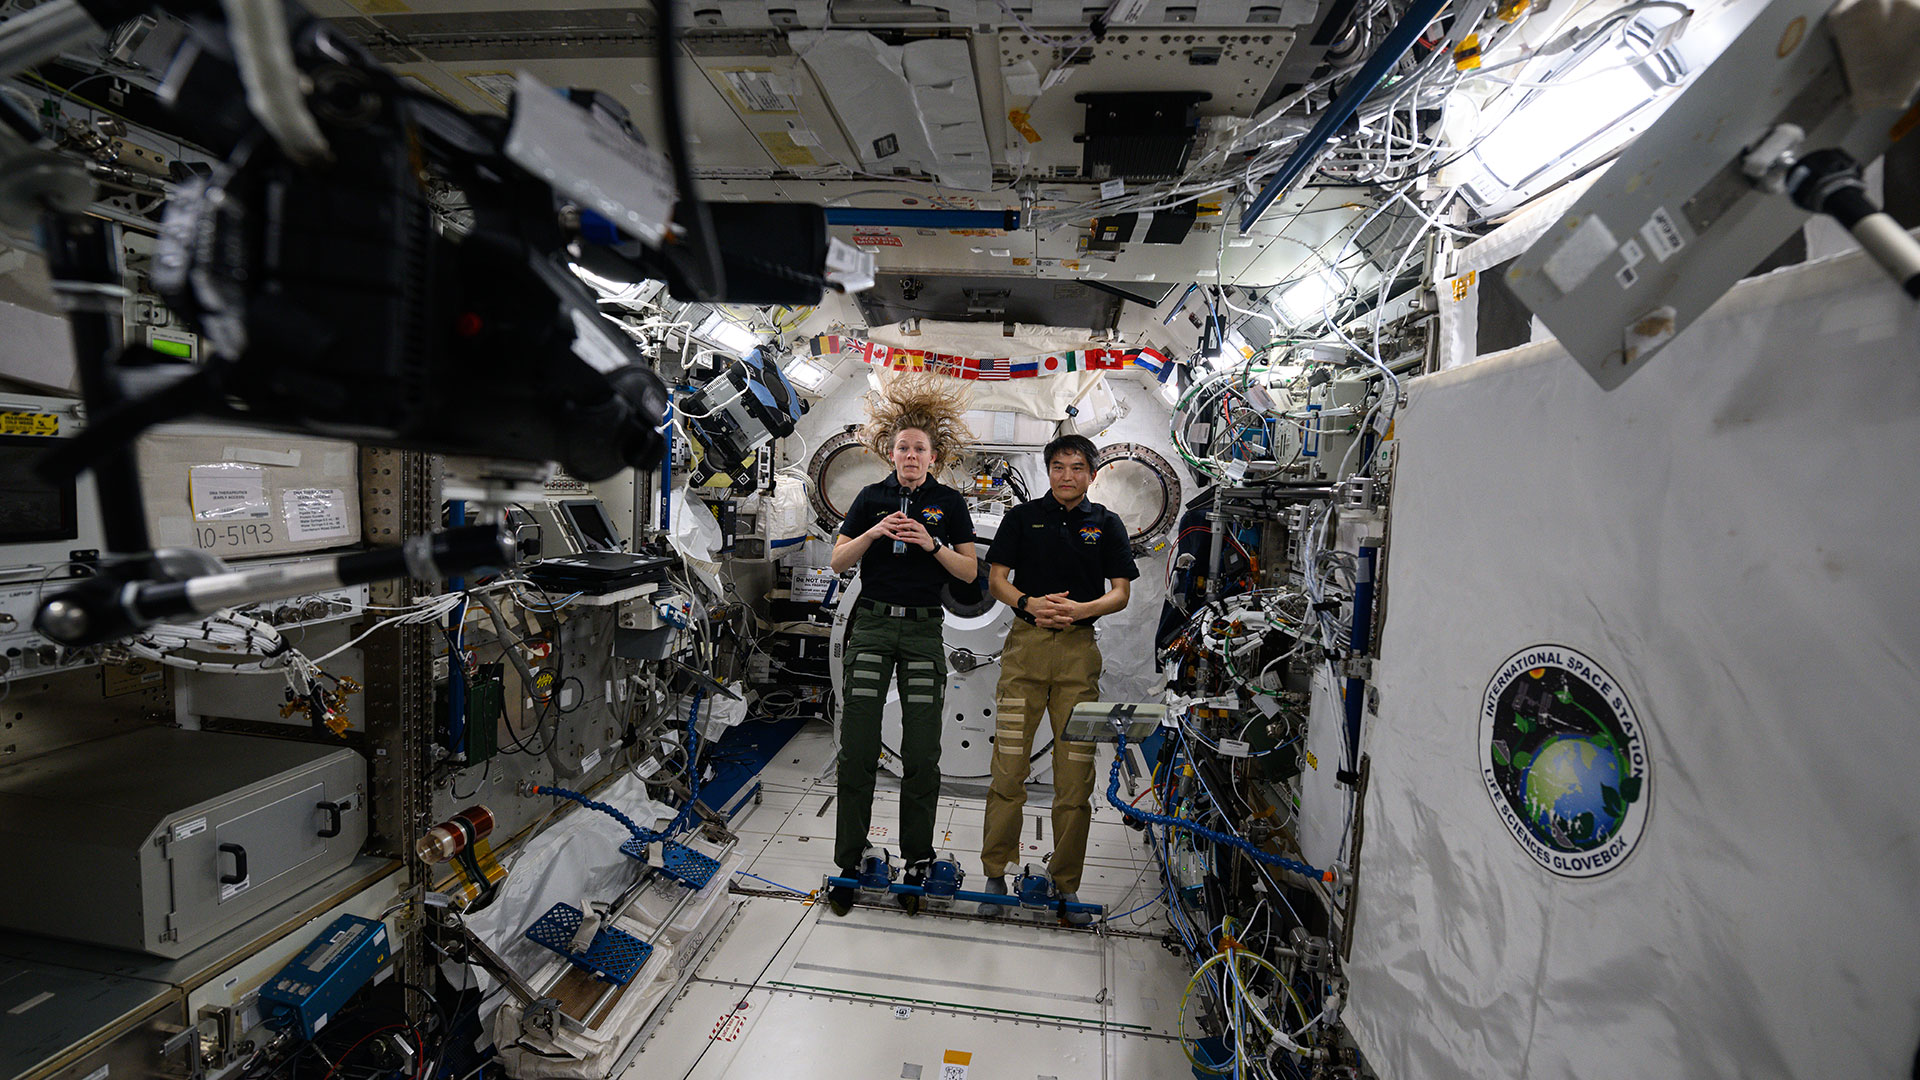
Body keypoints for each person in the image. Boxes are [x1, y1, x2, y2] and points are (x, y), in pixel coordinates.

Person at [825, 377, 977, 917]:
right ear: (890, 454)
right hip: (871, 627)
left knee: (922, 753)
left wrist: (931, 544)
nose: (910, 456)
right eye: (903, 448)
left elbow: (969, 571)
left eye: (919, 449)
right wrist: (872, 534)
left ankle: (916, 859)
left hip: (921, 632)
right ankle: (849, 862)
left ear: (934, 456)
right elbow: (838, 562)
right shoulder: (871, 498)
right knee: (857, 748)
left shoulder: (949, 503)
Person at [978, 433, 1138, 924]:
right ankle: (995, 872)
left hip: (1077, 655)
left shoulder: (1106, 524)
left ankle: (1066, 883)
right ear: (1048, 471)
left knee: (1075, 780)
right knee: (1008, 770)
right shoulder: (1022, 518)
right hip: (1024, 652)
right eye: (1058, 467)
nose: (1067, 476)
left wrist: (1080, 610)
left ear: (1092, 474)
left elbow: (1121, 592)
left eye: (1076, 468)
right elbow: (997, 580)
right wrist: (1028, 603)